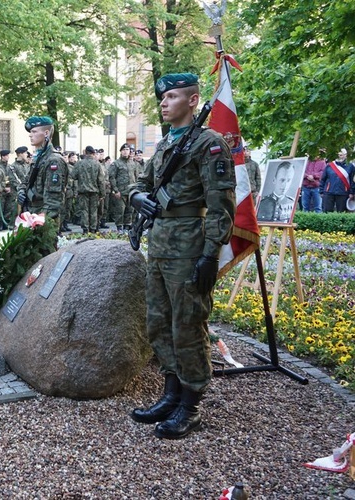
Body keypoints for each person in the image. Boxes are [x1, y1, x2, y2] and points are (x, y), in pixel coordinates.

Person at [128, 73, 235, 440]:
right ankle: (170, 394)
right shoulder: (165, 145)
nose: (163, 102)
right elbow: (142, 184)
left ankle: (191, 404)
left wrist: (210, 255)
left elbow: (222, 206)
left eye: (171, 96)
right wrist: (136, 197)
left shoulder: (210, 144)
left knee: (187, 325)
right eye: (162, 97)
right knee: (159, 322)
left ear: (192, 101)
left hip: (189, 246)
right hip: (159, 246)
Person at [18, 116, 67, 225]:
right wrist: (21, 191)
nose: (30, 135)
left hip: (43, 220)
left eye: (34, 131)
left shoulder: (53, 160)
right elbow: (26, 182)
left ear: (46, 133)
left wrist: (41, 220)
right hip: (31, 214)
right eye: (30, 132)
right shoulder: (39, 158)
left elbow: (53, 199)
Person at [72, 146, 108, 234]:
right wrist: (102, 194)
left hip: (83, 191)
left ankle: (85, 229)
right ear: (93, 153)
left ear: (85, 152)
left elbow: (73, 176)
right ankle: (93, 229)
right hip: (95, 192)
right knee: (94, 211)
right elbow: (101, 181)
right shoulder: (97, 164)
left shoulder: (79, 164)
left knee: (84, 211)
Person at [109, 144, 135, 232]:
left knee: (130, 210)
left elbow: (136, 177)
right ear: (120, 151)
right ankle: (119, 228)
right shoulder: (116, 163)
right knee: (120, 210)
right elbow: (112, 177)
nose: (125, 151)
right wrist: (115, 190)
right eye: (123, 150)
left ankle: (127, 227)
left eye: (127, 149)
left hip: (131, 191)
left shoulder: (132, 163)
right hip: (120, 191)